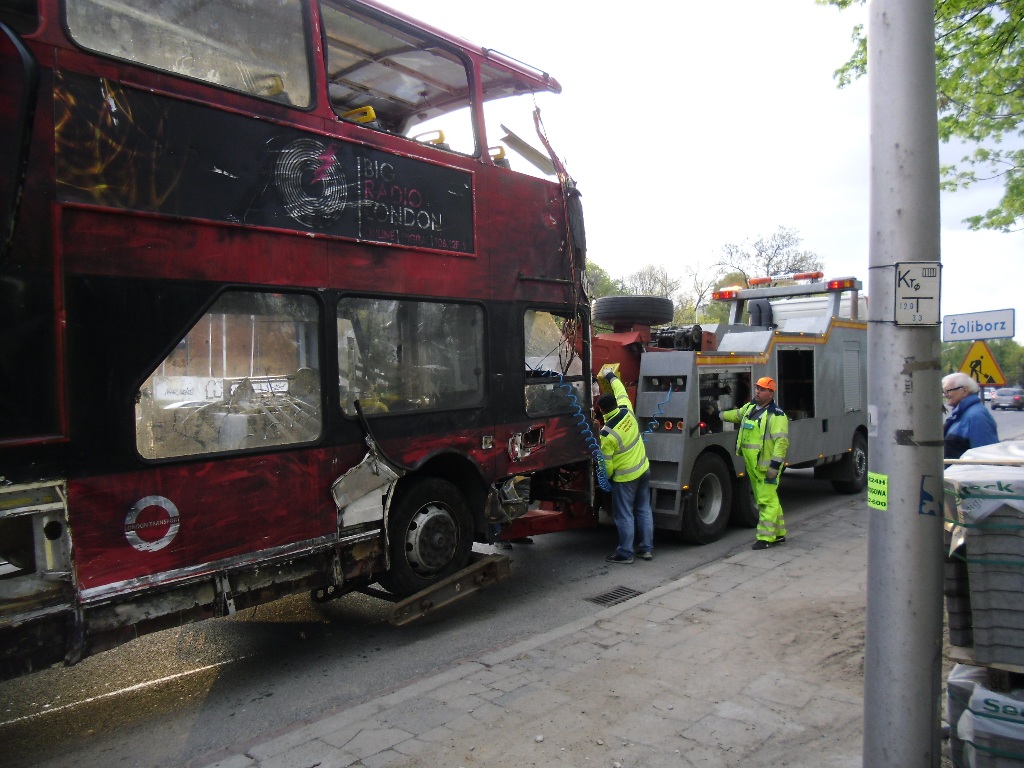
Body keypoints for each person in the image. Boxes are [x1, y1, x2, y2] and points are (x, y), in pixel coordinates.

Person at [720, 376, 789, 550]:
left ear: (771, 393)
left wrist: (774, 466)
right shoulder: (750, 408)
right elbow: (736, 415)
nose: (757, 391)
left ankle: (765, 539)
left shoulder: (776, 415)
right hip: (753, 465)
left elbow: (781, 443)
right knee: (768, 498)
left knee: (766, 501)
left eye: (762, 389)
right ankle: (779, 534)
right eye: (757, 388)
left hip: (766, 467)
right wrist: (719, 413)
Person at [596, 367, 653, 564]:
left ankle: (626, 553)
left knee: (624, 515)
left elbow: (607, 465)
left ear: (602, 410)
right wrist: (610, 375)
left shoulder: (606, 434)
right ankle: (646, 549)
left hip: (625, 478)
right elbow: (621, 390)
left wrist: (606, 479)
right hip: (643, 469)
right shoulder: (627, 410)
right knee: (644, 509)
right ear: (615, 404)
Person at [942, 371, 998, 459]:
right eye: (944, 392)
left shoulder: (977, 416)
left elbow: (986, 458)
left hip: (964, 472)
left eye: (948, 391)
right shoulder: (963, 414)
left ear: (964, 390)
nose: (945, 395)